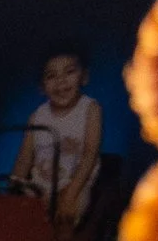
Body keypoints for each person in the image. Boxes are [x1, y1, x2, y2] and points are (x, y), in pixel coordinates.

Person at [10, 43, 103, 231]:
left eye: (69, 72)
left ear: (84, 77)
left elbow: (89, 155)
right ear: (42, 87)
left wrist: (69, 195)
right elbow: (24, 158)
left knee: (67, 216)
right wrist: (13, 188)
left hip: (75, 183)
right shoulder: (37, 116)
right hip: (39, 186)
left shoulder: (90, 110)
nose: (61, 82)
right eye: (51, 76)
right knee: (17, 219)